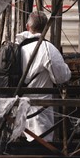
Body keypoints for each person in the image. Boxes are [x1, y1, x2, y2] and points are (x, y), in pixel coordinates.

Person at [15, 11, 71, 142]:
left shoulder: (18, 48)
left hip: (17, 112)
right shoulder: (47, 48)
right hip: (39, 114)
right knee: (40, 151)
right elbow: (62, 77)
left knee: (18, 151)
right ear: (47, 28)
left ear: (28, 27)